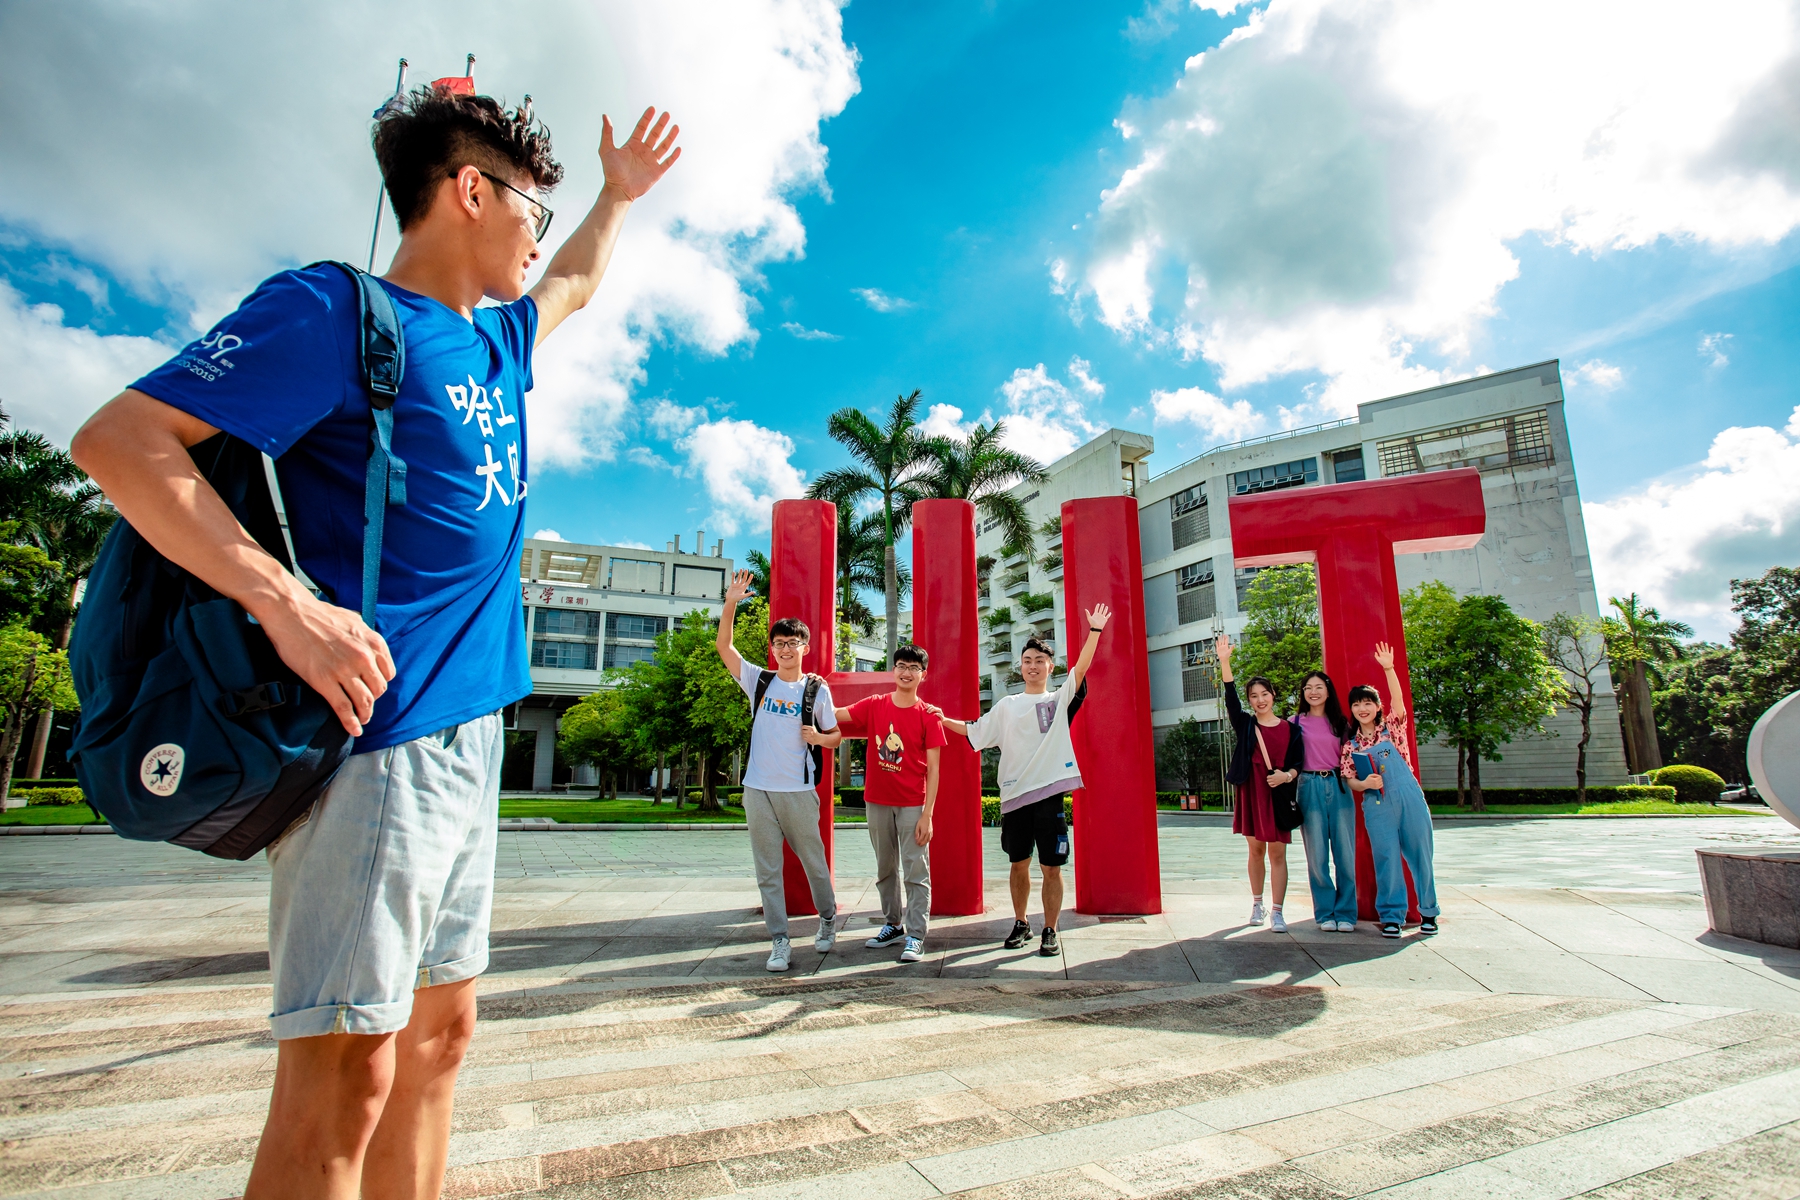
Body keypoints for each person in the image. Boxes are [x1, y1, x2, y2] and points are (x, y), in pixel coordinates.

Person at [70, 85, 679, 1199]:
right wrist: (285, 605)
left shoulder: (499, 342)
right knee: (345, 1077)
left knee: (442, 1046)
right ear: (469, 190)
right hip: (374, 744)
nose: (538, 230)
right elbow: (120, 439)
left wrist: (615, 196)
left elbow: (578, 280)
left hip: (471, 740)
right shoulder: (334, 312)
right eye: (530, 205)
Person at [939, 604, 1112, 958]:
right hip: (1014, 797)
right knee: (1018, 863)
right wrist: (941, 719)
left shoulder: (1059, 699)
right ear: (1021, 666)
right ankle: (1021, 922)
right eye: (1027, 660)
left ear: (1051, 667)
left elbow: (1082, 669)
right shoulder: (1007, 705)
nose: (1032, 666)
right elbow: (975, 732)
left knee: (1052, 866)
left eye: (1039, 660)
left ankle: (1050, 927)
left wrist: (1094, 631)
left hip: (1048, 797)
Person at [716, 570, 840, 972]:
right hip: (757, 790)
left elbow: (836, 734)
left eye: (793, 643)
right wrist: (731, 600)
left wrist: (818, 739)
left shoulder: (815, 689)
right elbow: (725, 647)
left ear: (805, 647)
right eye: (779, 643)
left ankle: (826, 918)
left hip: (798, 791)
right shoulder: (759, 680)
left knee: (813, 862)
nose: (785, 649)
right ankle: (780, 939)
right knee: (767, 869)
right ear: (772, 648)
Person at [804, 643, 944, 963]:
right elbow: (836, 715)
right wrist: (813, 688)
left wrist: (928, 814)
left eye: (913, 668)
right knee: (885, 869)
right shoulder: (875, 705)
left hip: (912, 804)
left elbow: (934, 769)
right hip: (877, 801)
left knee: (915, 871)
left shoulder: (928, 716)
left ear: (923, 674)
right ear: (893, 670)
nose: (906, 672)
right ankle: (892, 924)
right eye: (901, 666)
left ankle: (916, 935)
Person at [1343, 641, 1441, 939]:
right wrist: (1365, 784)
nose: (1362, 709)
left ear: (1377, 707)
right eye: (1357, 704)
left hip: (1408, 796)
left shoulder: (1393, 730)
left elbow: (1399, 702)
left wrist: (1389, 668)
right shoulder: (1351, 745)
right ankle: (1391, 917)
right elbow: (1350, 780)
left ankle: (1428, 913)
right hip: (1375, 803)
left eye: (1367, 703)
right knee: (1386, 858)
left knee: (1421, 854)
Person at [1216, 635, 1305, 932]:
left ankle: (1277, 912)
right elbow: (1230, 699)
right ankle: (1257, 904)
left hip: (1278, 795)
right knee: (1255, 851)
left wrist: (1286, 776)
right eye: (1253, 696)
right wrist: (1225, 662)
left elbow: (1298, 763)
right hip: (1252, 794)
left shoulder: (1291, 730)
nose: (1259, 700)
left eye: (1264, 694)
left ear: (1273, 695)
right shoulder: (1246, 724)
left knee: (1278, 853)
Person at [1295, 670, 1356, 932]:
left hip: (1339, 785)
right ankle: (1324, 914)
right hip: (1308, 786)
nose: (1313, 692)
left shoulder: (1341, 723)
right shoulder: (1295, 722)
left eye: (1319, 687)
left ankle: (1346, 913)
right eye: (1308, 688)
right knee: (1317, 854)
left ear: (1328, 691)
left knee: (1345, 853)